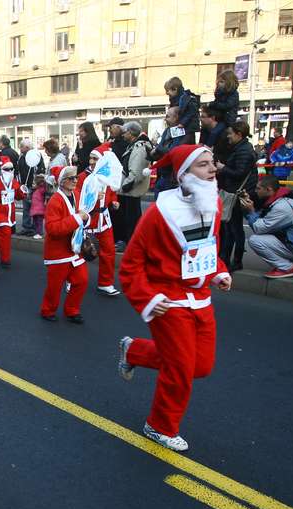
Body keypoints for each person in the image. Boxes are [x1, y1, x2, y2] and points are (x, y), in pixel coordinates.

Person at [118, 144, 232, 452]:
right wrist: (148, 299)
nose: (213, 169)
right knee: (180, 369)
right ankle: (159, 426)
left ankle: (135, 351)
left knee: (201, 366)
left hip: (201, 298)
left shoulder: (214, 204)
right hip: (168, 302)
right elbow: (130, 266)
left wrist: (218, 271)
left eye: (213, 163)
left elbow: (210, 247)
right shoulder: (157, 214)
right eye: (204, 165)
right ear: (183, 175)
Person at [40, 165, 89, 323]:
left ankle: (72, 310)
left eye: (76, 177)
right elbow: (52, 229)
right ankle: (48, 310)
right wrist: (77, 219)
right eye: (71, 178)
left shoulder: (77, 194)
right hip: (58, 252)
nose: (75, 180)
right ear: (62, 181)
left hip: (75, 249)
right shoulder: (55, 201)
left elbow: (85, 215)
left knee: (82, 280)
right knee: (55, 286)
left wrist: (86, 218)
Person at [239, 175, 293, 279]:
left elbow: (259, 228)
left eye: (258, 188)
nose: (256, 191)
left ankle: (286, 267)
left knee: (255, 240)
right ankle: (290, 263)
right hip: (291, 241)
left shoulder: (282, 207)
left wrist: (251, 211)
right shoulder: (279, 199)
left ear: (268, 189)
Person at [77, 146, 121, 296]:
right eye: (91, 158)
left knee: (109, 251)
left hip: (104, 220)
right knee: (80, 251)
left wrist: (114, 201)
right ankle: (72, 280)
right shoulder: (84, 176)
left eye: (95, 158)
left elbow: (112, 192)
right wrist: (95, 198)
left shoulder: (107, 175)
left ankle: (105, 283)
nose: (91, 161)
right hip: (89, 218)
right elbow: (79, 197)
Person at [216, 121, 258, 271]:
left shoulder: (243, 151)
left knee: (234, 228)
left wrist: (223, 168)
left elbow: (239, 173)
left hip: (237, 193)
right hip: (236, 192)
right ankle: (229, 258)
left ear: (239, 134)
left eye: (230, 133)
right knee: (232, 227)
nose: (228, 136)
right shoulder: (241, 148)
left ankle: (234, 259)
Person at [0, 155, 26, 269]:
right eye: (6, 169)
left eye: (11, 169)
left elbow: (19, 196)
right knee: (5, 233)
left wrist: (23, 191)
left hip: (10, 213)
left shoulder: (14, 182)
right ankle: (5, 259)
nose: (9, 171)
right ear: (1, 170)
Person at [117, 121, 152, 247]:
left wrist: (125, 186)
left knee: (132, 221)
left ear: (131, 133)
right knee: (130, 220)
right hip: (130, 190)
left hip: (132, 191)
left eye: (125, 132)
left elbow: (136, 171)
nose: (123, 135)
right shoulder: (135, 145)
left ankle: (133, 244)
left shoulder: (139, 147)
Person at [165, 77, 199, 144]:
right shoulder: (176, 99)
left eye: (168, 91)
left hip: (188, 128)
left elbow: (190, 112)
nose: (167, 93)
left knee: (185, 144)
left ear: (175, 89)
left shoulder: (186, 99)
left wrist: (183, 123)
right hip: (180, 127)